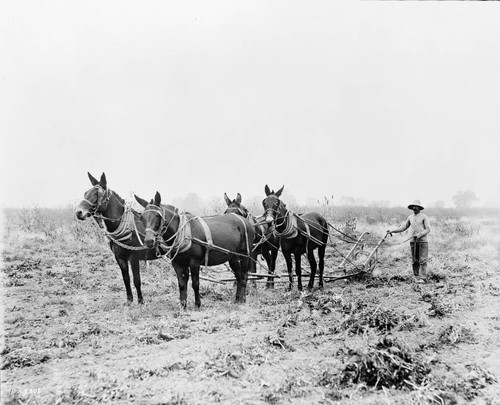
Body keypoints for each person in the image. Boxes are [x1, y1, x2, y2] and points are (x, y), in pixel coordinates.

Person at [388, 200, 431, 283]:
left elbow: (428, 229)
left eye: (416, 207)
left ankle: (422, 278)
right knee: (415, 260)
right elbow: (403, 227)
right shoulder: (410, 217)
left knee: (422, 260)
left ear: (419, 208)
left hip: (422, 241)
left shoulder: (424, 217)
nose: (415, 208)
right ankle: (416, 276)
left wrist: (420, 234)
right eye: (413, 207)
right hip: (413, 241)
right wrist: (392, 231)